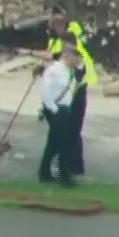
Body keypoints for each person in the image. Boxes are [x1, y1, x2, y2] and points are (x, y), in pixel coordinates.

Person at [41, 9, 98, 175]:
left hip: (77, 89)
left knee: (71, 130)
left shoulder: (73, 36)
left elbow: (67, 57)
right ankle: (61, 167)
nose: (56, 28)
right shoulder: (56, 40)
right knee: (61, 132)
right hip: (62, 92)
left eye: (58, 24)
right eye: (53, 25)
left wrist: (51, 58)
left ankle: (72, 166)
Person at [38, 36, 81, 187]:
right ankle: (64, 175)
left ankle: (44, 172)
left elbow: (78, 83)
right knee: (64, 142)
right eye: (73, 56)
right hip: (56, 110)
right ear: (66, 55)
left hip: (65, 109)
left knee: (54, 143)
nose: (75, 60)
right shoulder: (54, 70)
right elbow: (45, 91)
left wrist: (79, 68)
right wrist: (54, 110)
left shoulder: (71, 72)